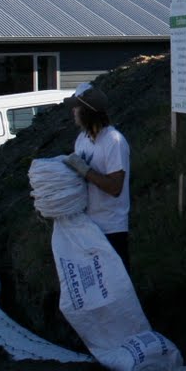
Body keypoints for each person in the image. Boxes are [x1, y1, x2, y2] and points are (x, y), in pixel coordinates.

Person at [61, 83, 132, 271]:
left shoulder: (114, 141)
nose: (73, 111)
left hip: (112, 228)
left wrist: (85, 171)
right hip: (87, 226)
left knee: (116, 281)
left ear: (87, 111)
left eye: (77, 107)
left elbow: (115, 187)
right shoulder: (82, 140)